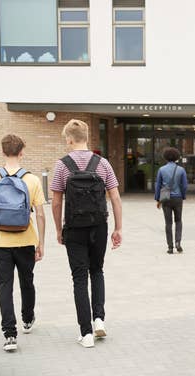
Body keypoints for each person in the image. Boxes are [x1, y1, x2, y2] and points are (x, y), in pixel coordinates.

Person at [51, 119, 123, 348]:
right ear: (87, 138)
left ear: (70, 140)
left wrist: (58, 229)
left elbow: (55, 201)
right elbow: (115, 197)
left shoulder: (62, 165)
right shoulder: (102, 163)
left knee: (79, 278)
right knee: (97, 270)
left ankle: (86, 333)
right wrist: (118, 228)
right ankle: (99, 319)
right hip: (99, 226)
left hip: (74, 227)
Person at [0, 134, 46, 352]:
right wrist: (40, 243)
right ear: (22, 152)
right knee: (27, 281)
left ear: (3, 152)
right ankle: (27, 318)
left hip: (0, 242)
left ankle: (9, 335)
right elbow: (41, 215)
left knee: (4, 286)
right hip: (26, 240)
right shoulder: (32, 180)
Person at [154, 147, 188, 254]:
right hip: (178, 198)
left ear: (165, 157)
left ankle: (170, 247)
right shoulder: (181, 170)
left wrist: (158, 199)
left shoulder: (161, 170)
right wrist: (183, 196)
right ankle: (178, 242)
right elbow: (184, 185)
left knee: (168, 223)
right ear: (177, 157)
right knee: (178, 220)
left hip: (166, 199)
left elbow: (158, 185)